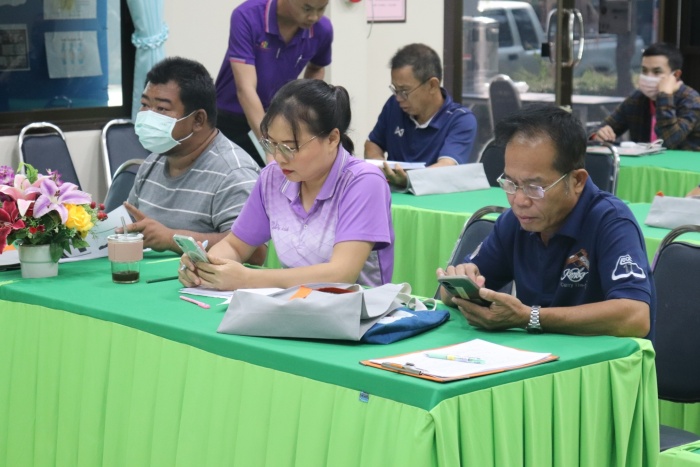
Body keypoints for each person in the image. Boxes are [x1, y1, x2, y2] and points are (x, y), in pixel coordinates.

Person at [439, 103, 656, 339]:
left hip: (603, 360)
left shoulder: (611, 221)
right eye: (510, 183)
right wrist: (459, 285)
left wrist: (530, 317)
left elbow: (635, 317)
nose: (519, 200)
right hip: (535, 355)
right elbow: (447, 294)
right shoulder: (515, 222)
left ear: (577, 181)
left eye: (534, 187)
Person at [179, 79, 394, 290]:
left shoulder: (363, 182)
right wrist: (205, 267)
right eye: (271, 144)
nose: (279, 158)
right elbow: (235, 245)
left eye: (290, 147)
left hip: (355, 307)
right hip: (292, 302)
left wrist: (247, 278)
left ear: (332, 139)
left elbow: (341, 274)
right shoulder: (273, 177)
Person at [125, 57, 263, 262]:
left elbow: (256, 252)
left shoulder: (234, 172)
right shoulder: (154, 161)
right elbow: (133, 226)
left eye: (161, 109)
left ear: (198, 119)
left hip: (202, 280)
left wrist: (172, 239)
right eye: (145, 104)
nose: (148, 116)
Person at [214, 0, 333, 168]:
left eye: (321, 9)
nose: (314, 17)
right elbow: (245, 88)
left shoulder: (322, 29)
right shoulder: (247, 16)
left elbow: (316, 68)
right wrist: (270, 146)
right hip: (231, 118)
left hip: (276, 118)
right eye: (307, 8)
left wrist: (303, 115)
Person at [364, 43, 477, 188]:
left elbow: (447, 167)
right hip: (392, 195)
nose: (398, 98)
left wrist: (409, 180)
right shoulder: (394, 106)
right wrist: (381, 166)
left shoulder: (460, 119)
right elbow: (373, 143)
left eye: (404, 91)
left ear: (432, 85)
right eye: (395, 90)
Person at [592, 42, 700, 150]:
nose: (648, 77)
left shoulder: (691, 101)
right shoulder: (637, 98)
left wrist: (665, 96)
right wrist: (598, 135)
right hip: (645, 161)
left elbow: (669, 141)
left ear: (676, 75)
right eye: (644, 70)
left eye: (656, 72)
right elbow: (598, 129)